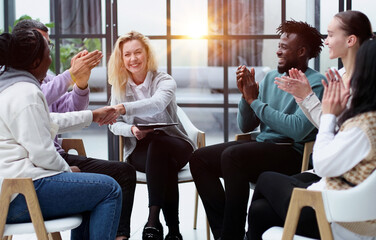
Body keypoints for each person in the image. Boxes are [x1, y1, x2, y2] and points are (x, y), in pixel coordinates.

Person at [189, 20, 325, 240]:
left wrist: (255, 102)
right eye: (278, 45)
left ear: (301, 52)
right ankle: (225, 233)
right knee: (199, 158)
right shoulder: (271, 77)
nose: (278, 51)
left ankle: (231, 236)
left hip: (292, 153)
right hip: (262, 148)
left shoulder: (316, 82)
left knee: (233, 156)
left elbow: (298, 130)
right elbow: (246, 125)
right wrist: (246, 96)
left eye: (284, 47)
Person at [246, 10, 375, 240]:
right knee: (259, 211)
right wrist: (306, 98)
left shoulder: (364, 123)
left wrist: (326, 114)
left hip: (340, 210)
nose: (326, 40)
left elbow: (329, 147)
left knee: (264, 179)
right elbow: (339, 135)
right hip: (341, 188)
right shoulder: (340, 80)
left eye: (331, 34)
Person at [13, 19, 137, 240]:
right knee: (106, 189)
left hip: (50, 160)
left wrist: (80, 83)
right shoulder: (22, 89)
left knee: (122, 173)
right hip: (35, 172)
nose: (49, 53)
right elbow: (40, 103)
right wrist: (69, 75)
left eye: (48, 45)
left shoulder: (41, 80)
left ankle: (119, 236)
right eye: (45, 46)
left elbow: (63, 112)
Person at [108, 31, 195, 240]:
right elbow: (113, 125)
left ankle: (152, 221)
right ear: (121, 59)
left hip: (176, 144)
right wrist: (131, 130)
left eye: (138, 52)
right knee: (161, 160)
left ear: (147, 54)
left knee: (160, 147)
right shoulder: (119, 86)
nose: (133, 59)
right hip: (141, 149)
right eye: (127, 54)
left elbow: (156, 104)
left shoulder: (164, 80)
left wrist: (122, 108)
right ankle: (173, 231)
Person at [275, 10, 373, 128]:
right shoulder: (337, 76)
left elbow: (340, 129)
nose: (326, 42)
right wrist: (303, 96)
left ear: (350, 40)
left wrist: (307, 96)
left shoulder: (368, 82)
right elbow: (326, 125)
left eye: (331, 35)